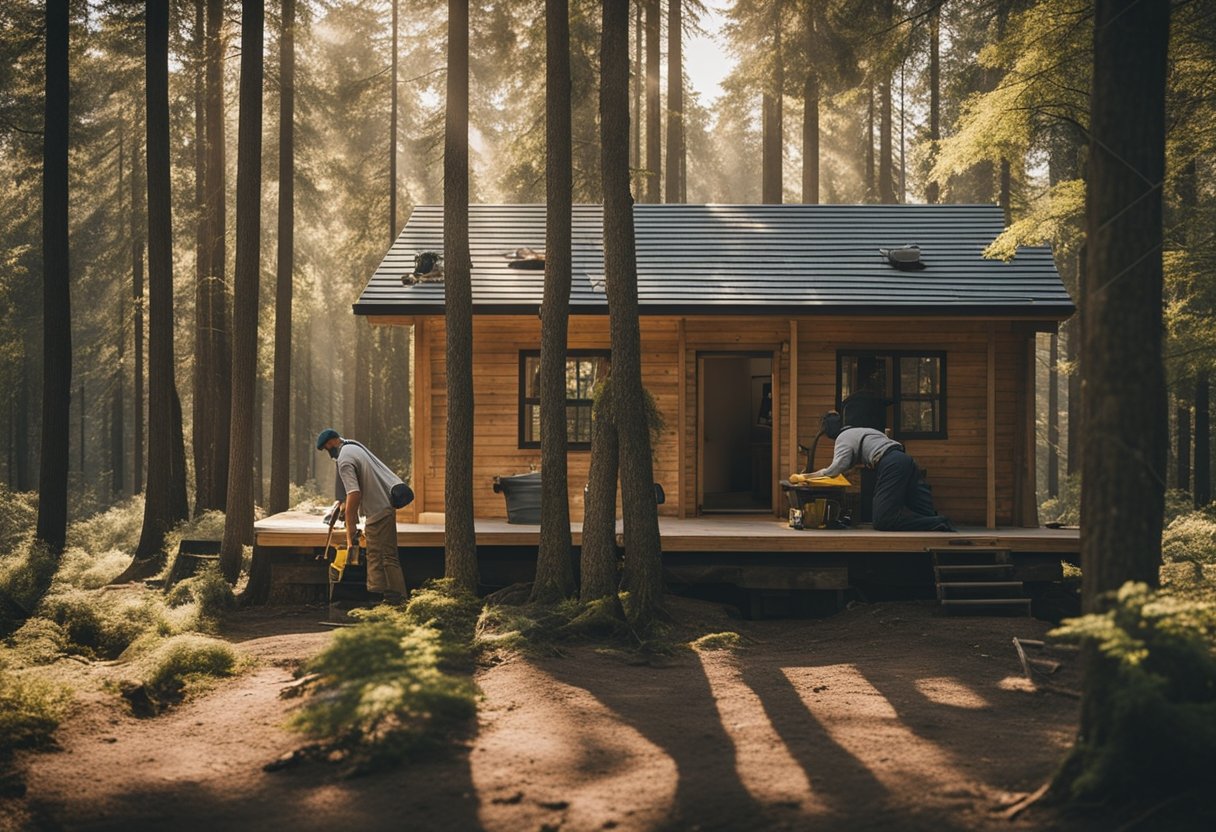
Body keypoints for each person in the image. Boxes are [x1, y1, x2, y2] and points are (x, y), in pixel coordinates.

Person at [807, 411, 956, 532]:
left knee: (882, 521)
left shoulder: (843, 438)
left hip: (890, 463)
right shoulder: (862, 431)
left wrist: (812, 476)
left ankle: (938, 523)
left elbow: (837, 467)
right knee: (925, 511)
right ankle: (936, 522)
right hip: (905, 459)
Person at [316, 428, 411, 604]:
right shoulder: (354, 446)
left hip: (377, 511)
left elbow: (354, 493)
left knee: (375, 556)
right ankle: (397, 598)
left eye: (326, 448)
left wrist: (350, 526)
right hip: (386, 504)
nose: (328, 452)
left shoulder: (344, 459)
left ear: (330, 444)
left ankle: (378, 599)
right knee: (389, 555)